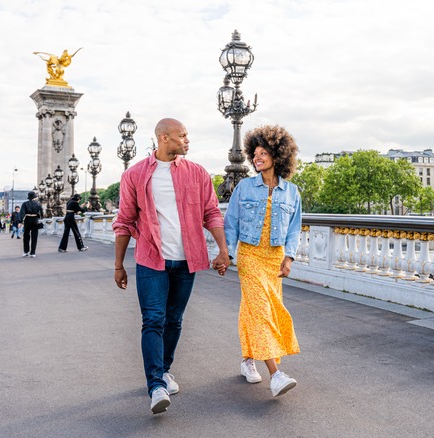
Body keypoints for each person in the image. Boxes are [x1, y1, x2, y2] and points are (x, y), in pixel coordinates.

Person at [113, 118, 230, 415]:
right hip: (151, 259)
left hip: (186, 260)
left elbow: (212, 213)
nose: (188, 140)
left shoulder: (198, 173)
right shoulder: (135, 175)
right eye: (183, 135)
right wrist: (118, 265)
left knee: (174, 320)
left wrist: (223, 250)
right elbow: (124, 221)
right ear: (164, 138)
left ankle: (164, 370)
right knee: (153, 319)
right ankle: (156, 386)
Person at [224, 125, 303, 398]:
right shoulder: (244, 187)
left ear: (278, 156)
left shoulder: (292, 192)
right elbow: (230, 223)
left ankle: (248, 360)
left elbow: (295, 228)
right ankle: (276, 374)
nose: (257, 158)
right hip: (250, 255)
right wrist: (228, 254)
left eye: (263, 153)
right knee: (261, 311)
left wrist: (289, 257)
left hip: (275, 259)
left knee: (255, 309)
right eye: (254, 153)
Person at [20, 191, 44, 258]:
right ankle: (33, 252)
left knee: (26, 236)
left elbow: (22, 213)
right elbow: (41, 213)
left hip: (27, 219)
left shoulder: (25, 204)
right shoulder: (38, 204)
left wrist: (20, 221)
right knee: (34, 237)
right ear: (34, 197)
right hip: (35, 220)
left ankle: (26, 251)